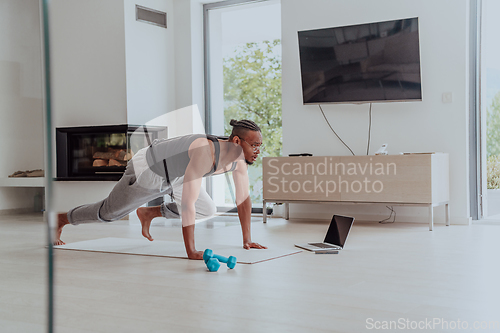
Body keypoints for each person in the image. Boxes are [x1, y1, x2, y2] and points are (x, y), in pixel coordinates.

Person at [55, 119, 267, 260]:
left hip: (178, 173)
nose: (258, 150)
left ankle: (149, 212)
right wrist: (191, 251)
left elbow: (243, 199)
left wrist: (246, 239)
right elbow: (186, 204)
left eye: (260, 145)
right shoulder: (205, 152)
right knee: (109, 214)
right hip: (150, 168)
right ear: (237, 141)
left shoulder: (237, 160)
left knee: (207, 209)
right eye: (254, 145)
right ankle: (62, 219)